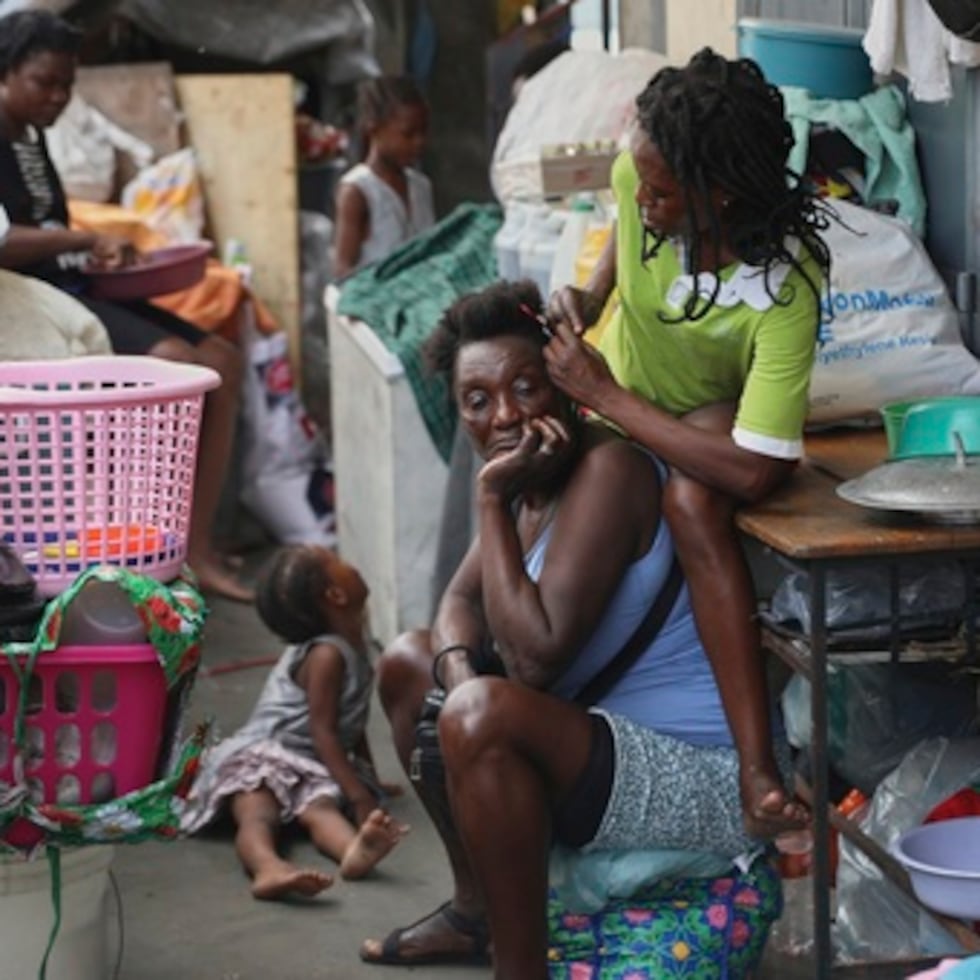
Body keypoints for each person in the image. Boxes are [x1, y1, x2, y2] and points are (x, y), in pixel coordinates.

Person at [359, 279, 791, 971]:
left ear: (563, 387)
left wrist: (490, 501)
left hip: (695, 780)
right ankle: (478, 915)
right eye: (478, 401)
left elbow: (534, 661)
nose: (504, 416)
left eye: (525, 388)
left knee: (479, 715)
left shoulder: (606, 471)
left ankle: (520, 967)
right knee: (411, 663)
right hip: (597, 754)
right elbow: (455, 607)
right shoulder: (528, 481)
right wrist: (458, 671)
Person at [547, 48, 832, 838]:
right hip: (615, 409)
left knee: (695, 497)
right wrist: (593, 290)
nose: (644, 202)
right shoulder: (644, 176)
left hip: (703, 432)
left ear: (723, 192)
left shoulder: (785, 283)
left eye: (664, 193)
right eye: (641, 184)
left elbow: (756, 466)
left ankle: (755, 767)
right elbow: (620, 224)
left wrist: (603, 394)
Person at [0, 9, 251, 602]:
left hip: (72, 286)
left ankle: (198, 546)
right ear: (4, 73)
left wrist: (103, 259)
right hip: (36, 303)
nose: (58, 98)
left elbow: (47, 228)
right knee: (170, 364)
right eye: (44, 83)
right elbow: (6, 243)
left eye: (67, 85)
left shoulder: (31, 138)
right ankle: (135, 546)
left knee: (221, 359)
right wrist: (84, 240)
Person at [181, 544, 408, 900]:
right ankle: (268, 867)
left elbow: (351, 719)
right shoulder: (326, 656)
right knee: (258, 814)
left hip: (311, 762)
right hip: (267, 755)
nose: (350, 564)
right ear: (335, 594)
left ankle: (353, 851)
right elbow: (324, 731)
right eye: (340, 563)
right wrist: (359, 795)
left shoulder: (353, 643)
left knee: (320, 808)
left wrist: (368, 774)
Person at [331, 75, 435, 280]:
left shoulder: (421, 186)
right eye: (408, 134)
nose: (419, 142)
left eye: (423, 132)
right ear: (374, 130)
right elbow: (342, 269)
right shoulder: (358, 191)